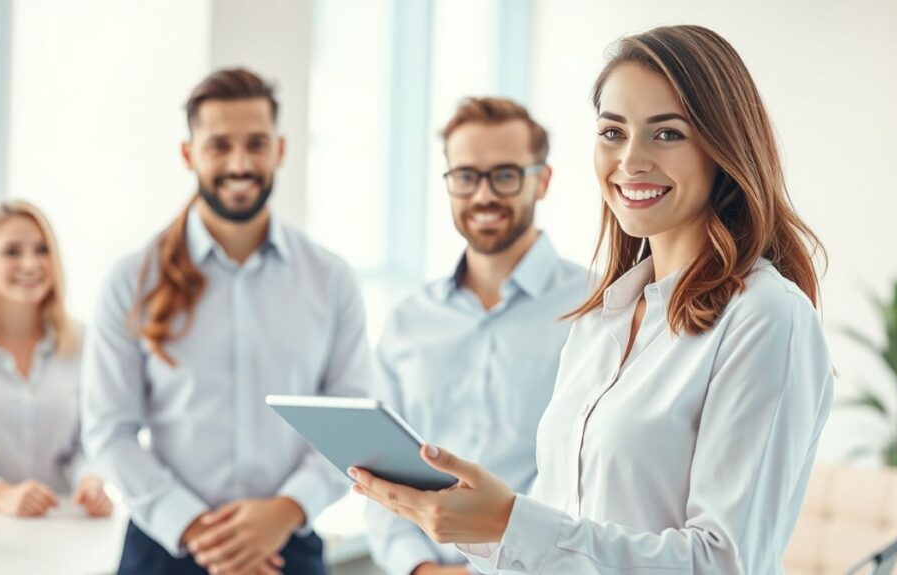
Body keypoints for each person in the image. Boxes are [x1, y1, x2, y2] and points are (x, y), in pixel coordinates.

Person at [352, 25, 833, 574]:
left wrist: (508, 522)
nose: (630, 160)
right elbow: (566, 539)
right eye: (612, 132)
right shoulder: (601, 317)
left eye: (667, 134)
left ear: (723, 148)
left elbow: (723, 563)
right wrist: (479, 534)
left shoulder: (766, 316)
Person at [81, 68, 372, 575]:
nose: (240, 163)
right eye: (219, 146)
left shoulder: (330, 279)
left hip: (286, 548)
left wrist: (284, 512)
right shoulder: (132, 279)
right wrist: (199, 530)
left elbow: (350, 422)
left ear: (279, 150)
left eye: (255, 144)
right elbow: (109, 429)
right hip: (164, 547)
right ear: (188, 154)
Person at [366, 97, 587, 575]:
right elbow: (377, 472)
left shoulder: (596, 309)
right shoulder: (408, 321)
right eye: (466, 177)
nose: (483, 195)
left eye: (505, 175)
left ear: (541, 180)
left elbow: (595, 477)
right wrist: (420, 568)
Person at [0, 200, 112, 518]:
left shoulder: (85, 343)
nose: (31, 264)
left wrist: (90, 479)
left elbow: (91, 440)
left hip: (65, 524)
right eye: (12, 252)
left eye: (42, 249)